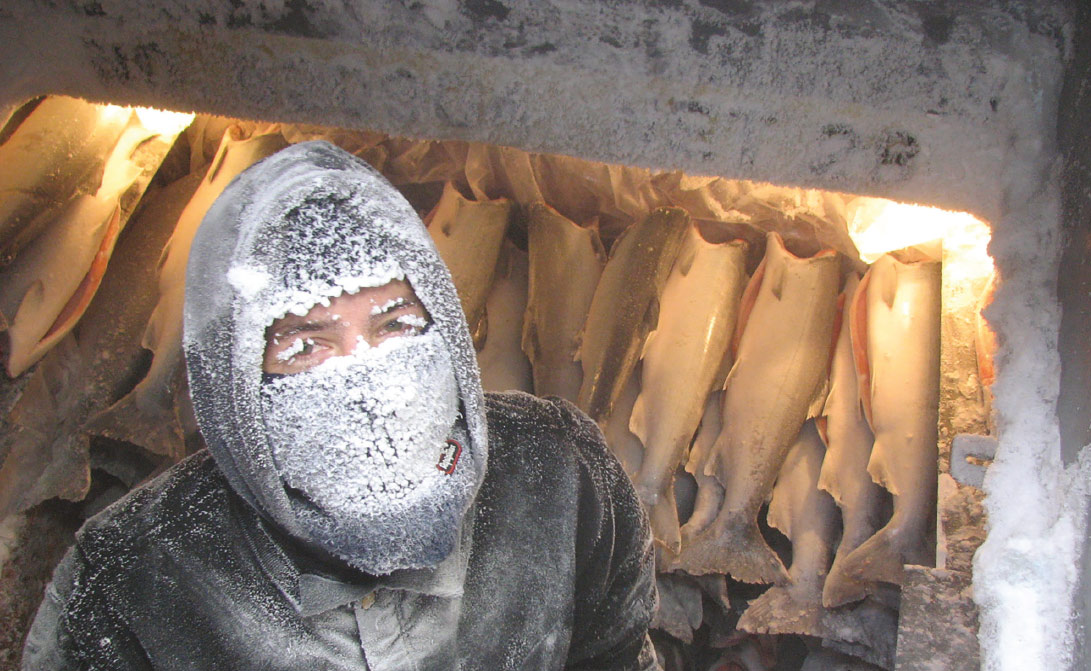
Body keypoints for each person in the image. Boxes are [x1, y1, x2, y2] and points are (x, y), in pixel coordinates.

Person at [22, 141, 660, 670]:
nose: (367, 383)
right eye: (305, 345)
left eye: (397, 326)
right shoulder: (129, 577)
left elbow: (616, 654)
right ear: (235, 384)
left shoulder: (560, 474)